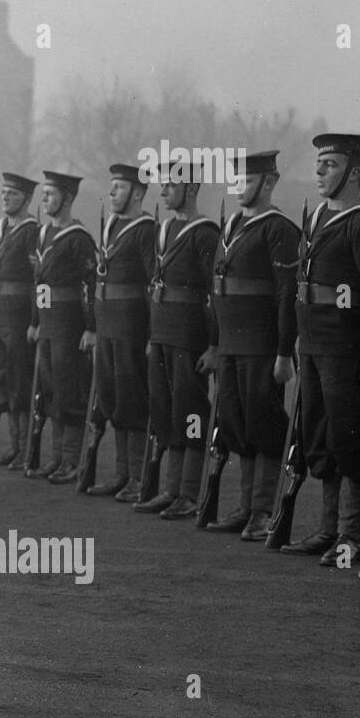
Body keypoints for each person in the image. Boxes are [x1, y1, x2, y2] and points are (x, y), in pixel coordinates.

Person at [284, 134, 360, 566]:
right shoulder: (317, 217)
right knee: (320, 437)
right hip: (312, 344)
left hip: (347, 348)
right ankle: (328, 530)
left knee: (350, 438)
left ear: (354, 172)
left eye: (329, 164)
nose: (319, 171)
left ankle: (350, 538)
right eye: (319, 163)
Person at [197, 152, 298, 538]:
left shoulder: (279, 230)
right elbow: (217, 294)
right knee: (236, 423)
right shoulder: (231, 226)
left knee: (264, 423)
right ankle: (244, 507)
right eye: (234, 180)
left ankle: (262, 511)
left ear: (269, 182)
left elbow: (287, 297)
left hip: (261, 345)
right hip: (230, 345)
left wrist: (284, 353)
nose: (238, 186)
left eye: (246, 179)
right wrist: (214, 344)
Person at [135, 170, 219, 517]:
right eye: (163, 185)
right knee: (166, 409)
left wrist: (214, 344)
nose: (164, 191)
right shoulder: (164, 229)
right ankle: (170, 490)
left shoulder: (206, 233)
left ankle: (188, 492)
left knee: (191, 411)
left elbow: (214, 294)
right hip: (162, 333)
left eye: (172, 185)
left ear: (192, 188)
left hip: (190, 335)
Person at [87, 164, 155, 501]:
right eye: (111, 186)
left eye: (119, 187)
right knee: (112, 397)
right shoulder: (112, 226)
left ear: (138, 193)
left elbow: (153, 286)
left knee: (132, 399)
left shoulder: (146, 229)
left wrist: (152, 334)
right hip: (107, 324)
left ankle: (138, 478)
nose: (112, 192)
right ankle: (121, 473)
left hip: (131, 326)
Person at [27, 171, 97, 484]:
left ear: (67, 199)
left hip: (70, 322)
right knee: (50, 388)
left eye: (50, 195)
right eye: (43, 195)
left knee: (70, 389)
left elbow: (93, 283)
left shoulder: (79, 237)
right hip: (47, 323)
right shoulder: (43, 234)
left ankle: (71, 459)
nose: (44, 200)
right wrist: (35, 321)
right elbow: (38, 284)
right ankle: (56, 458)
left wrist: (91, 327)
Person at [0, 173, 40, 467]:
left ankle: (24, 448)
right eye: (4, 192)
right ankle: (12, 445)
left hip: (20, 313)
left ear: (27, 200)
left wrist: (35, 319)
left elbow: (36, 280)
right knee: (3, 378)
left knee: (20, 379)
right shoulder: (2, 228)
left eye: (13, 194)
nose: (6, 198)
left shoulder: (32, 231)